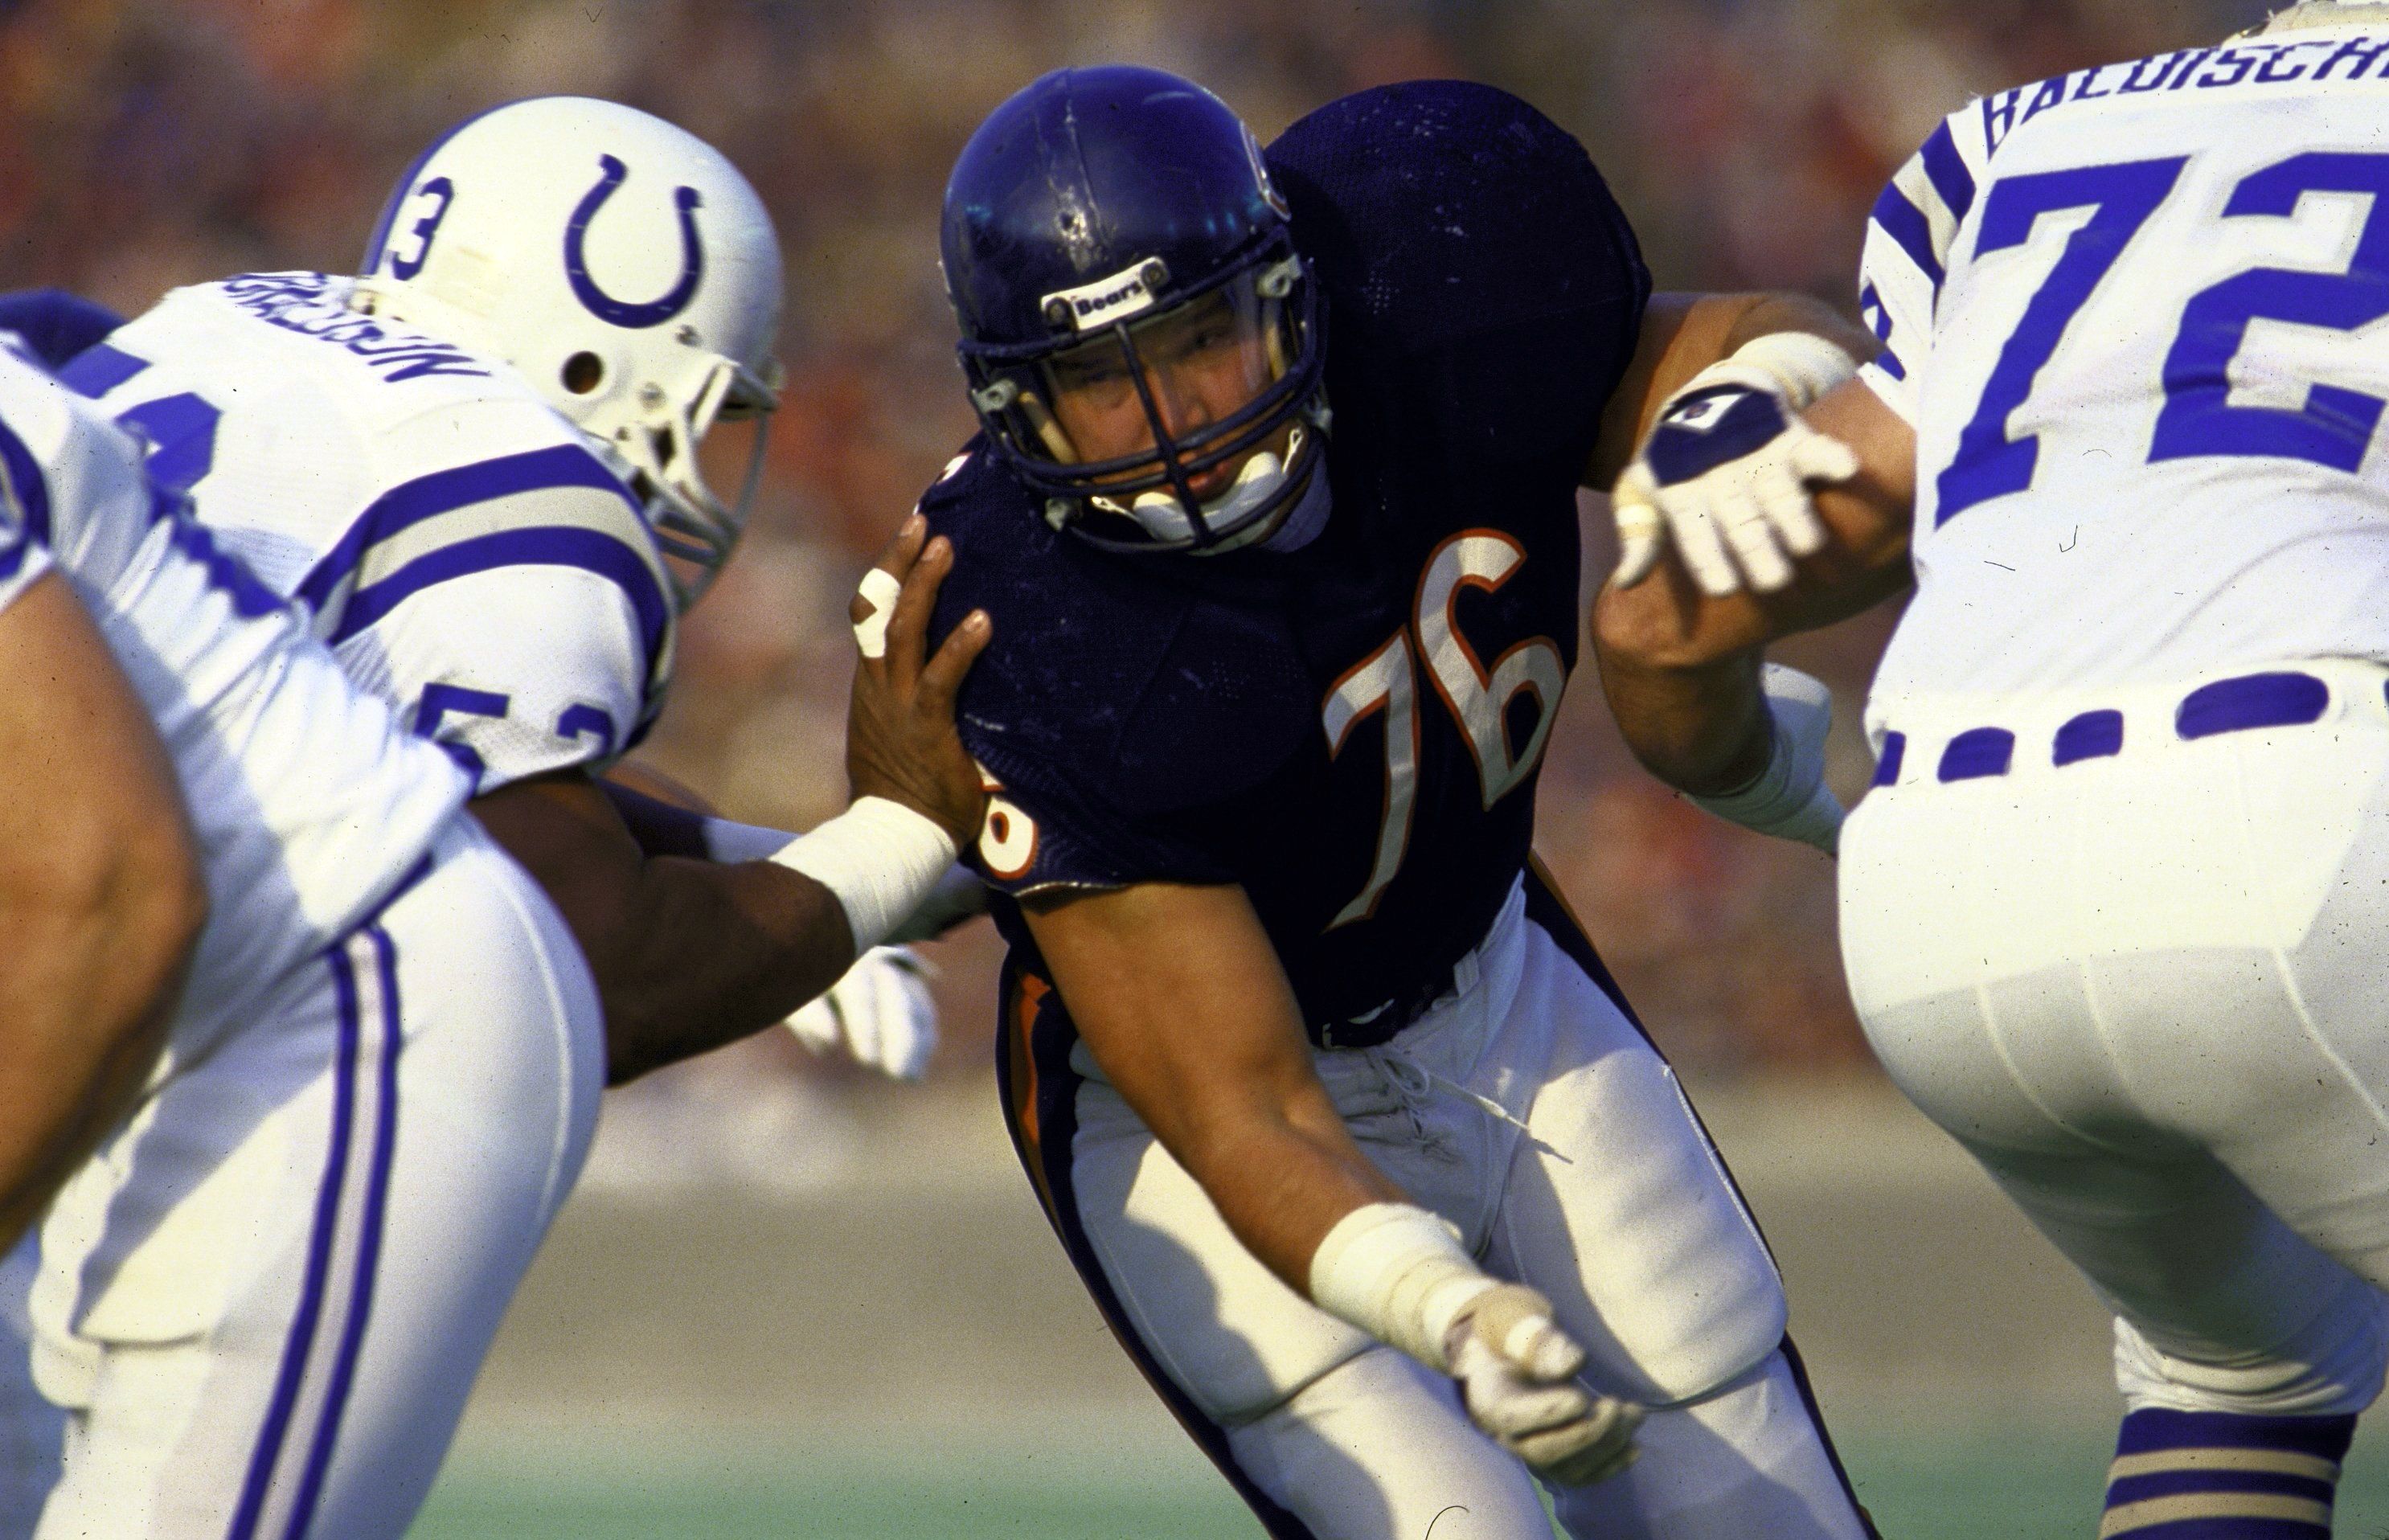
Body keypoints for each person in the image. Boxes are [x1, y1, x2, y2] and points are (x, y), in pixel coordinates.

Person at [919, 65, 1882, 1538]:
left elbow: (1743, 344)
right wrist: (1445, 1310)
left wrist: (1746, 409)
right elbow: (1244, 1107)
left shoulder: (1430, 260)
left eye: (1199, 338)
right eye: (1101, 382)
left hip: (1494, 976)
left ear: (1290, 295)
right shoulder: (1025, 623)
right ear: (1012, 410)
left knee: (1755, 1500)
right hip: (1182, 1114)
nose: (1174, 417)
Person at [1594, 4, 2389, 1534]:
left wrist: (1775, 789)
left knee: (2233, 1367)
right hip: (2300, 826)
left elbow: (1654, 614)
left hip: (1934, 891)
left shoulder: (2027, 137)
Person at [0, 354, 981, 1535]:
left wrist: (866, 859)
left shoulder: (236, 384)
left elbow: (122, 884)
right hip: (201, 998)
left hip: (330, 1006)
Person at [61, 96, 971, 1089]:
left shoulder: (234, 319)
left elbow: (416, 782)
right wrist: (899, 830)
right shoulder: (513, 491)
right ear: (597, 349)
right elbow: (582, 977)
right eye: (708, 408)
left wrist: (796, 875)